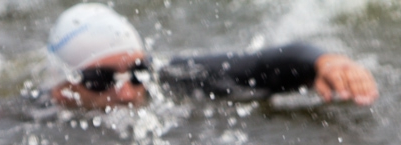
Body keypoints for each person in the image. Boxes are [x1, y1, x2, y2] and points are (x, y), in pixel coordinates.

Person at [45, 3, 378, 110]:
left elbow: (265, 63)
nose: (126, 92)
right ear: (62, 87)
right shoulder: (36, 115)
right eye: (100, 80)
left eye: (137, 72)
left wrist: (326, 62)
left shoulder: (175, 79)